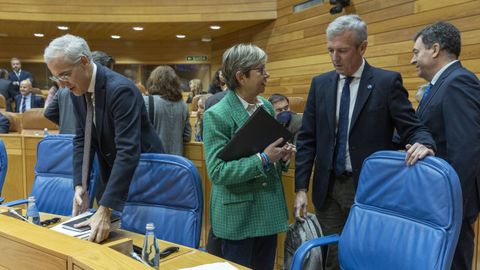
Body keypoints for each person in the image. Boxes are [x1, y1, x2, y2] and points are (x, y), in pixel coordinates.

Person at [293, 14, 436, 269]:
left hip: (367, 187)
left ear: (362, 47)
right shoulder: (320, 84)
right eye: (331, 50)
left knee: (363, 254)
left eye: (342, 51)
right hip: (326, 188)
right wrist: (301, 188)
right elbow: (307, 139)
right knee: (331, 256)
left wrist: (424, 143)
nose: (335, 58)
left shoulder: (386, 82)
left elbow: (412, 128)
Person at [43, 34, 164, 243]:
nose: (62, 85)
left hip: (144, 171)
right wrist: (79, 185)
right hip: (112, 169)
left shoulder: (120, 90)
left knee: (141, 238)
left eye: (64, 75)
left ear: (83, 62)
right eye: (56, 78)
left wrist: (106, 208)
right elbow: (82, 138)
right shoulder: (77, 89)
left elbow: (128, 151)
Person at [203, 43, 296, 269]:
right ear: (241, 76)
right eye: (260, 70)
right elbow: (217, 172)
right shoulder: (216, 115)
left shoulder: (265, 105)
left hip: (268, 211)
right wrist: (264, 159)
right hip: (238, 216)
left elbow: (269, 152)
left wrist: (282, 156)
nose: (267, 74)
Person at [412, 21, 480, 270]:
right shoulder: (440, 85)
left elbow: (465, 149)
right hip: (438, 198)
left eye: (416, 52)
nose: (413, 60)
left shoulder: (459, 82)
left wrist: (450, 203)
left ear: (435, 49)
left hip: (451, 201)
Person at [144, 65, 191, 155]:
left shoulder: (146, 101)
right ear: (175, 83)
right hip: (177, 162)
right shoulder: (183, 104)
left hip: (155, 160)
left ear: (152, 82)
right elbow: (187, 136)